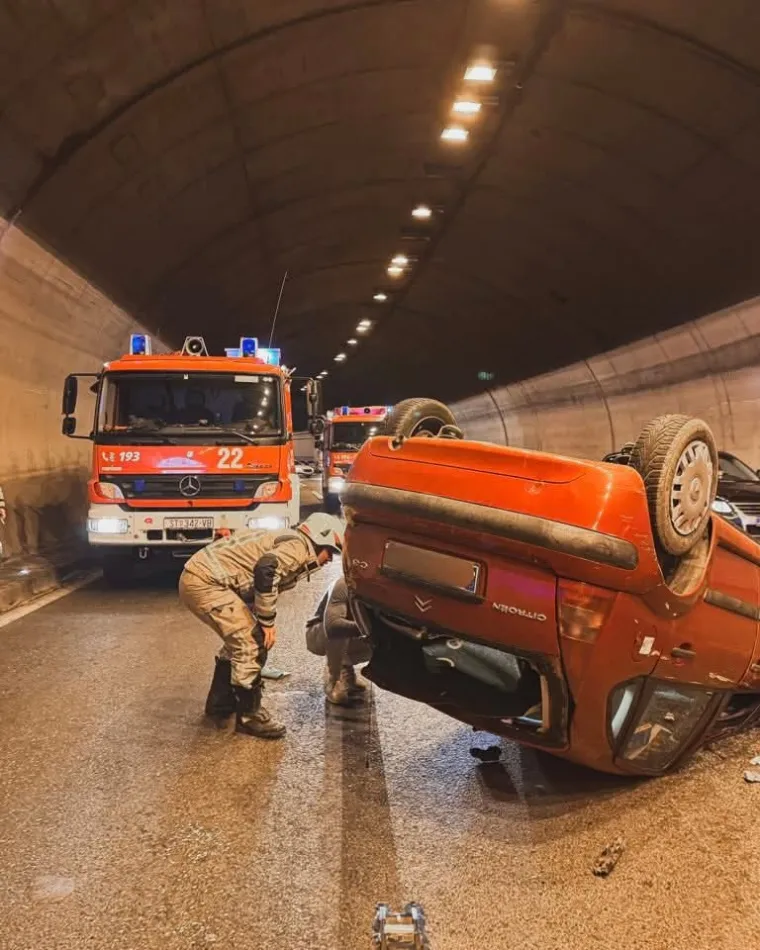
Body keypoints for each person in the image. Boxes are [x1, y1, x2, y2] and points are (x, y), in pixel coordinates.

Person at [179, 513, 345, 739]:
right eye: (331, 551)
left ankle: (221, 703)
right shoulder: (298, 548)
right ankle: (250, 717)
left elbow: (255, 575)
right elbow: (266, 570)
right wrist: (267, 623)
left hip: (201, 576)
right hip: (206, 582)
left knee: (238, 639)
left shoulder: (291, 540)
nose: (329, 560)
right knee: (251, 642)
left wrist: (256, 613)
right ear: (318, 539)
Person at [305, 575, 372, 706]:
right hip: (319, 634)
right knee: (340, 627)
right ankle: (334, 677)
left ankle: (346, 667)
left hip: (353, 633)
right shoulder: (344, 584)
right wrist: (373, 629)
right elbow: (333, 625)